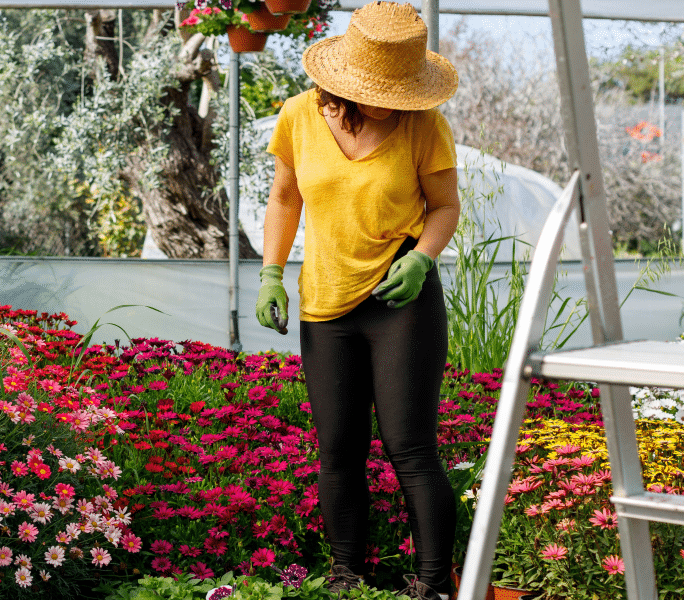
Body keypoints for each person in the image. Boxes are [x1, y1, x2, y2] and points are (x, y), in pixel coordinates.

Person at [254, 3, 461, 600]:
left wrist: (422, 258)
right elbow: (285, 199)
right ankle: (348, 578)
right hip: (326, 301)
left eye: (400, 90)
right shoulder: (298, 116)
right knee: (339, 447)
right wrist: (270, 273)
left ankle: (433, 586)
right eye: (379, 89)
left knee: (409, 445)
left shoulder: (424, 125)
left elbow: (444, 207)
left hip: (402, 299)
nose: (389, 100)